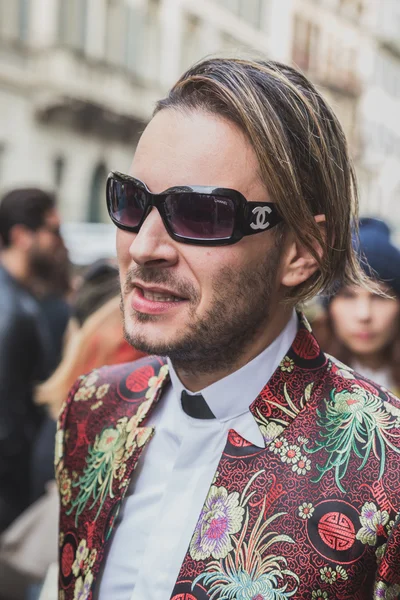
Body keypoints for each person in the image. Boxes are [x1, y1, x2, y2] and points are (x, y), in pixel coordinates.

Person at [56, 58, 400, 600]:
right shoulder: (94, 409)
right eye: (131, 201)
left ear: (302, 253)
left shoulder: (389, 469)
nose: (144, 246)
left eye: (201, 215)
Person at [0, 188, 62, 532]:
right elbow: (6, 422)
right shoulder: (14, 311)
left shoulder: (20, 300)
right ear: (22, 236)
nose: (58, 243)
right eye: (52, 231)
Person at [315, 218, 400, 397]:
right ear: (329, 307)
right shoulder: (301, 378)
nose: (364, 314)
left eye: (380, 297)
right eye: (348, 296)